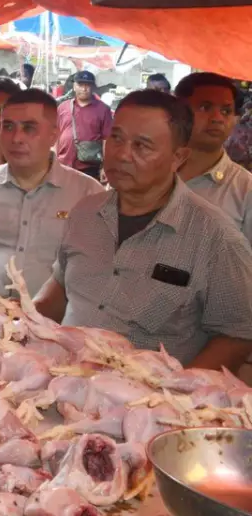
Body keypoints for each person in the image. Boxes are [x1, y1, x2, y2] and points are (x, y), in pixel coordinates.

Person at [34, 91, 252, 369]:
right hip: (61, 383)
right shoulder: (85, 212)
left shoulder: (217, 239)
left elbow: (236, 336)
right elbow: (60, 286)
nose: (122, 154)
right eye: (116, 138)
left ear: (178, 157)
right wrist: (21, 327)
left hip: (144, 402)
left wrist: (176, 394)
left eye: (142, 145)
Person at [0, 89, 103, 317]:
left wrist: (36, 319)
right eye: (8, 126)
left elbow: (93, 273)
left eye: (29, 128)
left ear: (53, 135)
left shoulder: (88, 194)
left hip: (54, 335)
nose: (16, 138)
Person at [175, 72, 252, 243]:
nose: (217, 118)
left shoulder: (246, 191)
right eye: (204, 107)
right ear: (179, 112)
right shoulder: (151, 173)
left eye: (226, 111)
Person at [55, 70, 112, 180]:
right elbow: (55, 135)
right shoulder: (63, 107)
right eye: (80, 85)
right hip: (63, 164)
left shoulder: (103, 109)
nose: (84, 88)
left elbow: (107, 140)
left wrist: (105, 166)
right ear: (74, 86)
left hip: (89, 168)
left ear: (93, 87)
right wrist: (52, 161)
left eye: (88, 85)